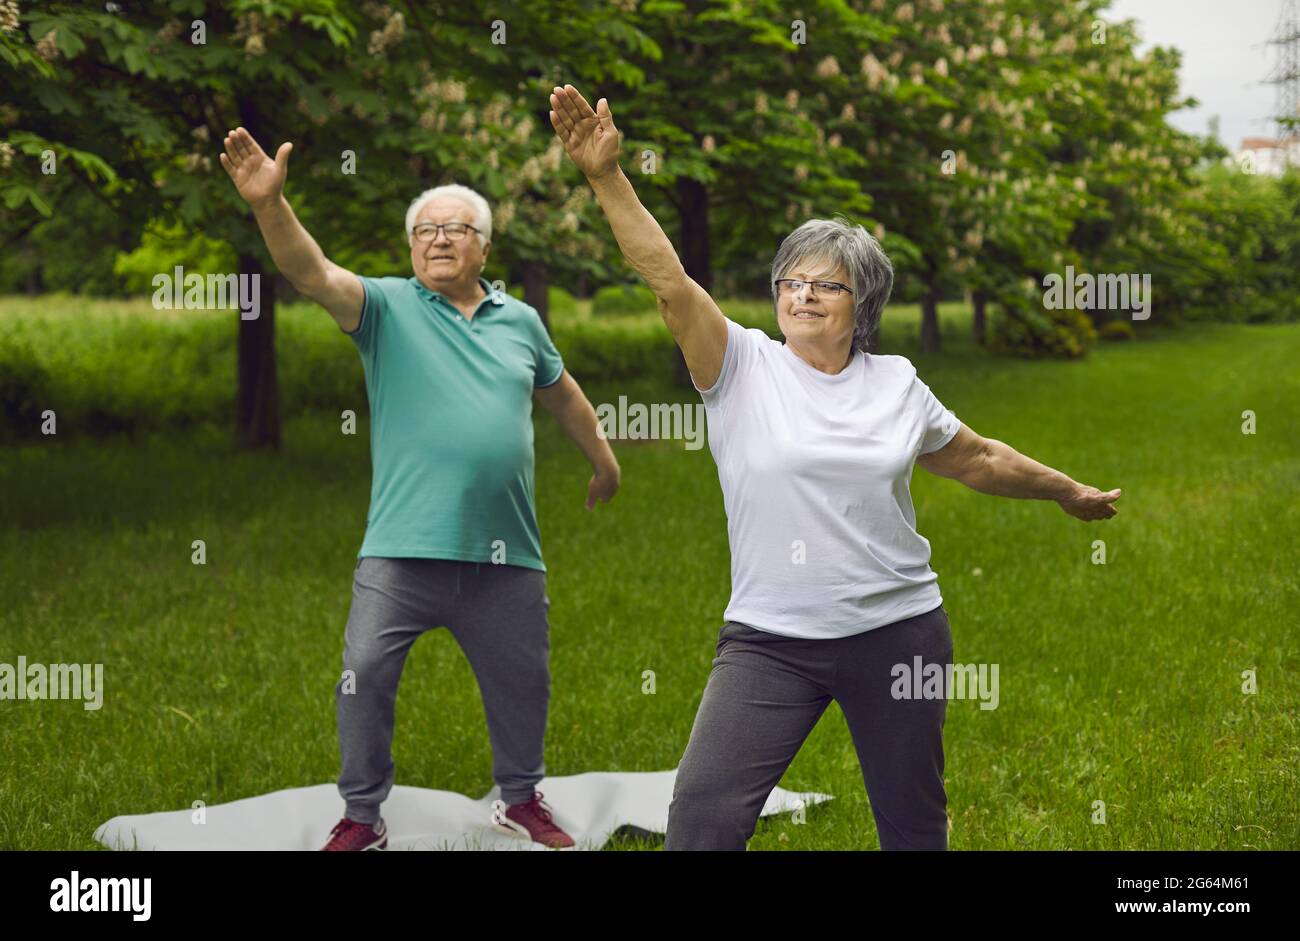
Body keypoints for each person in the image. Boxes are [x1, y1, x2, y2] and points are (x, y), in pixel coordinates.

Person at [548, 84, 1122, 850]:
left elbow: (979, 457)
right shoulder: (739, 364)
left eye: (826, 283)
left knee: (913, 825)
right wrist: (607, 178)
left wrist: (1067, 491)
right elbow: (669, 281)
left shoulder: (896, 383)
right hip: (769, 640)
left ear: (864, 304)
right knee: (702, 821)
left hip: (898, 632)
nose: (803, 294)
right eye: (792, 279)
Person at [219, 126, 621, 851]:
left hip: (507, 555)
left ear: (484, 246)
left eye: (455, 228)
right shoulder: (384, 309)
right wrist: (269, 207)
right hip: (401, 551)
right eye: (424, 229)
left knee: (524, 681)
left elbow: (565, 397)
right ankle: (362, 815)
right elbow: (311, 271)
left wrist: (604, 461)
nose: (437, 239)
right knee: (365, 673)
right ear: (411, 247)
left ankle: (521, 797)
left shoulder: (521, 323)